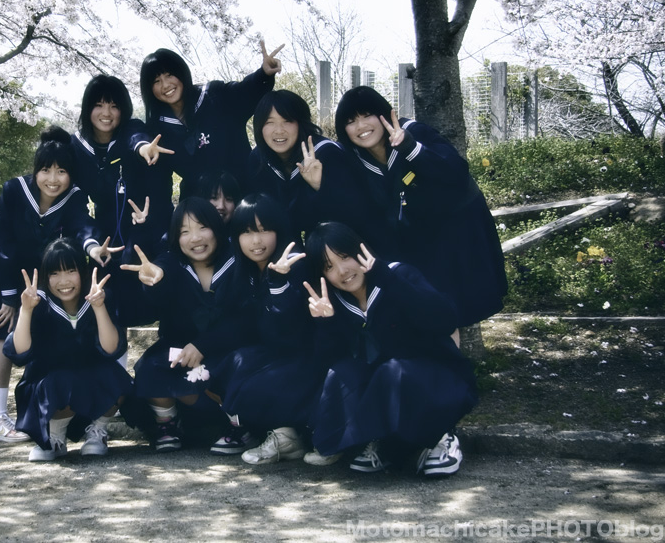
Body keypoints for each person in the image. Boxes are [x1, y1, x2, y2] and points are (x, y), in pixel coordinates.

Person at [0, 126, 98, 444]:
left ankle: (35, 415)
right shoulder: (14, 190)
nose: (53, 179)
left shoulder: (73, 197)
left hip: (31, 274)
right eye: (46, 170)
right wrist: (9, 297)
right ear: (36, 169)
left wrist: (92, 246)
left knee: (29, 337)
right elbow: (1, 242)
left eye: (61, 171)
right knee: (4, 336)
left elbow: (82, 227)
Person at [301, 222, 478, 476]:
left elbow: (445, 319)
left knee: (395, 371)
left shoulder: (397, 274)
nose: (342, 271)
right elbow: (330, 361)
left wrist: (388, 281)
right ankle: (385, 443)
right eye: (329, 267)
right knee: (341, 374)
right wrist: (326, 324)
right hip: (384, 385)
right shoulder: (334, 302)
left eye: (345, 256)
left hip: (433, 377)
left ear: (359, 249)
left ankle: (442, 436)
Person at [334, 86, 507, 329]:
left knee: (455, 305)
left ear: (384, 114)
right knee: (425, 305)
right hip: (411, 237)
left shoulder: (414, 132)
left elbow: (456, 172)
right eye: (351, 121)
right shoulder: (353, 159)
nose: (361, 126)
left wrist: (410, 148)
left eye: (367, 115)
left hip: (457, 230)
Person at [121, 197, 254, 454]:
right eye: (184, 231)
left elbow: (245, 320)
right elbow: (160, 276)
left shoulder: (237, 262)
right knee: (150, 368)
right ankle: (168, 424)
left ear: (216, 228)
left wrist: (203, 345)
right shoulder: (174, 262)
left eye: (203, 227)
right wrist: (155, 280)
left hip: (227, 348)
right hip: (182, 350)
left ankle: (240, 426)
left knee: (232, 369)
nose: (195, 238)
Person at [208, 194, 321, 465]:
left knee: (248, 380)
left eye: (264, 230)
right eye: (247, 232)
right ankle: (279, 433)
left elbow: (292, 331)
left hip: (307, 360)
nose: (256, 241)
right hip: (273, 354)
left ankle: (288, 437)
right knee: (219, 369)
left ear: (279, 231)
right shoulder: (246, 270)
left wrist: (279, 284)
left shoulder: (295, 265)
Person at [4, 238, 132, 461]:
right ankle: (54, 437)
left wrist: (99, 307)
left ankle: (97, 432)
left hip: (90, 384)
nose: (63, 281)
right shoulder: (39, 303)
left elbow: (111, 348)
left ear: (82, 271)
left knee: (118, 378)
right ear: (46, 276)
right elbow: (19, 351)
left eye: (71, 271)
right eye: (54, 273)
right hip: (49, 389)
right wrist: (26, 310)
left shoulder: (97, 297)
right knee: (62, 381)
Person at [138, 41, 283, 200]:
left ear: (181, 73)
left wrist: (264, 74)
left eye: (169, 75)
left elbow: (245, 92)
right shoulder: (157, 128)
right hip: (200, 205)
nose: (165, 85)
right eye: (156, 81)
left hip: (244, 195)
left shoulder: (215, 96)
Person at [71, 74, 174, 266]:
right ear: (87, 108)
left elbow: (136, 138)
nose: (107, 113)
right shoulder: (76, 148)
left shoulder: (130, 129)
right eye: (99, 105)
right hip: (103, 235)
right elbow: (75, 206)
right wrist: (90, 242)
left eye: (114, 106)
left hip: (142, 227)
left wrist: (143, 148)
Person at [247, 90, 356, 239]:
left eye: (287, 121)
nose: (279, 130)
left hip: (333, 239)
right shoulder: (258, 158)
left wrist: (320, 186)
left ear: (301, 123)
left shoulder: (327, 153)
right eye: (269, 122)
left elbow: (350, 212)